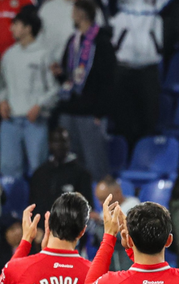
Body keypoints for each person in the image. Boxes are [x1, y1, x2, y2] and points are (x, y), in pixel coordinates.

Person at [53, 0, 115, 183]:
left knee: (96, 165)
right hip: (70, 109)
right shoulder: (73, 41)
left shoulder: (101, 42)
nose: (71, 14)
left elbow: (108, 80)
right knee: (72, 165)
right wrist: (60, 75)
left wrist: (100, 112)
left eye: (74, 10)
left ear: (82, 13)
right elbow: (71, 78)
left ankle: (102, 206)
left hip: (90, 113)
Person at [0, 6, 58, 177]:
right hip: (10, 121)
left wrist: (39, 106)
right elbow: (1, 85)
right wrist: (2, 101)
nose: (12, 28)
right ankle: (12, 203)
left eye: (16, 24)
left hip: (35, 121)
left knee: (39, 170)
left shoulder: (45, 54)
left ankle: (40, 203)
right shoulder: (8, 55)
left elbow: (54, 89)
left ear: (28, 28)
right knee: (8, 170)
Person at [108, 0, 166, 144]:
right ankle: (127, 154)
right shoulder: (119, 7)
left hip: (149, 66)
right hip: (123, 65)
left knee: (149, 117)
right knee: (123, 118)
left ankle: (145, 154)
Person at [27, 127, 92, 217]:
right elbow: (34, 206)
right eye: (56, 141)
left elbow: (86, 208)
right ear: (49, 144)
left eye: (63, 141)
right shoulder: (39, 174)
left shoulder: (81, 174)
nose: (60, 145)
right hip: (43, 228)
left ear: (69, 143)